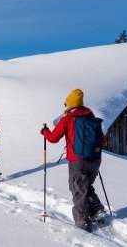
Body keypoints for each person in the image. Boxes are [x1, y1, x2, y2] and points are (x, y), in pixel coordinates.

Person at [41, 89, 106, 232]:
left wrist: (44, 131)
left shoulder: (68, 118)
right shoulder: (91, 117)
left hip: (78, 159)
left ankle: (82, 221)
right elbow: (103, 140)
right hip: (95, 158)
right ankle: (97, 210)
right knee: (86, 186)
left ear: (70, 104)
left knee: (77, 188)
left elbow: (53, 138)